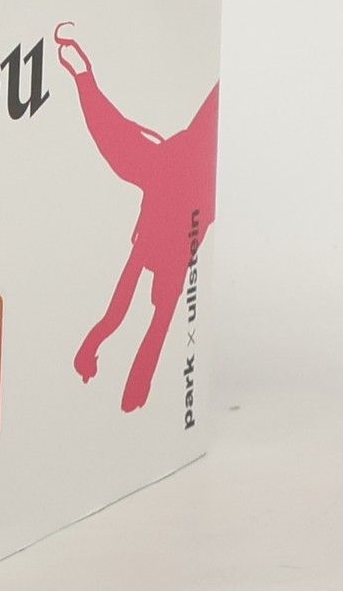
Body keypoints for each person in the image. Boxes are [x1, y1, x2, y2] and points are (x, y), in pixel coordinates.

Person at [54, 23, 221, 414]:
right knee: (156, 318)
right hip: (178, 216)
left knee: (150, 316)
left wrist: (83, 79)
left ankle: (132, 394)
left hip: (173, 215)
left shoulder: (168, 170)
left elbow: (118, 143)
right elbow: (119, 142)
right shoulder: (176, 170)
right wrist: (83, 79)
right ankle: (133, 395)